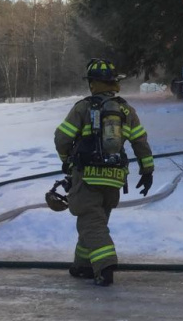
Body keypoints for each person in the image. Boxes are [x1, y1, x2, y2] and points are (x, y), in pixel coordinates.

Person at [54, 58, 154, 286]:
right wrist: (147, 171)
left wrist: (66, 160)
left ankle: (105, 265)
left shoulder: (83, 107)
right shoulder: (126, 110)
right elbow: (140, 142)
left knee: (90, 223)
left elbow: (62, 138)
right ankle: (83, 265)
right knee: (95, 221)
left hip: (88, 175)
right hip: (115, 177)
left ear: (92, 83)